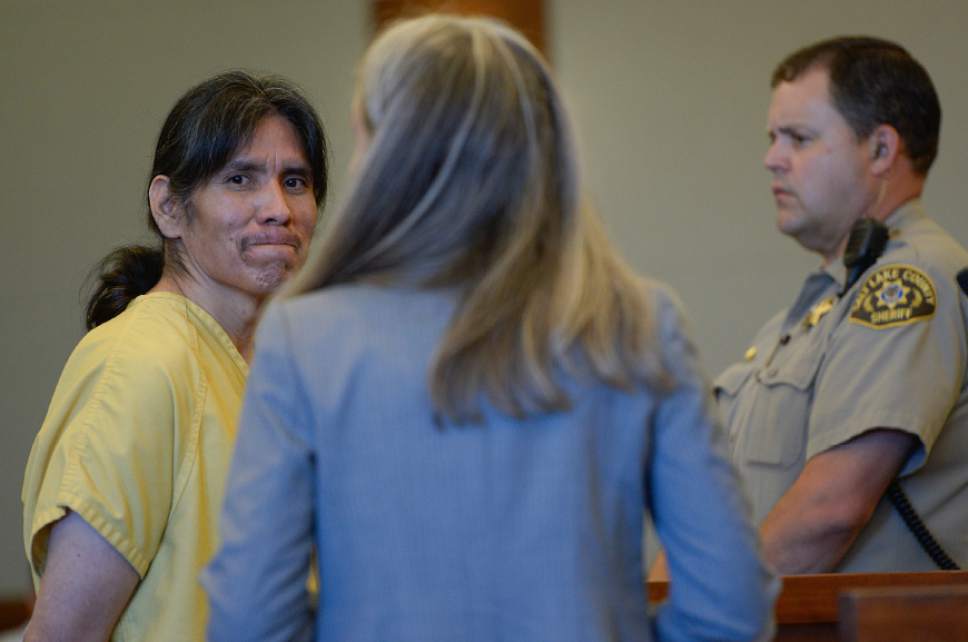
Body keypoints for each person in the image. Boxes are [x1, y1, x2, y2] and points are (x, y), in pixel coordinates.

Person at [203, 14, 777, 642]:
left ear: (389, 153)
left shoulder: (304, 339)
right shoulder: (639, 322)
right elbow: (730, 610)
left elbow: (251, 621)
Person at [21, 71, 328, 641]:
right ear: (168, 207)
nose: (278, 208)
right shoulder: (140, 362)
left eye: (295, 181)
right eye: (240, 179)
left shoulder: (274, 369)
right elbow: (63, 634)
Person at [716, 36, 968, 573]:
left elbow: (831, 510)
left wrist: (704, 612)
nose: (771, 159)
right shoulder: (818, 306)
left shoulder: (907, 283)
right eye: (772, 138)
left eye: (798, 138)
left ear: (881, 150)